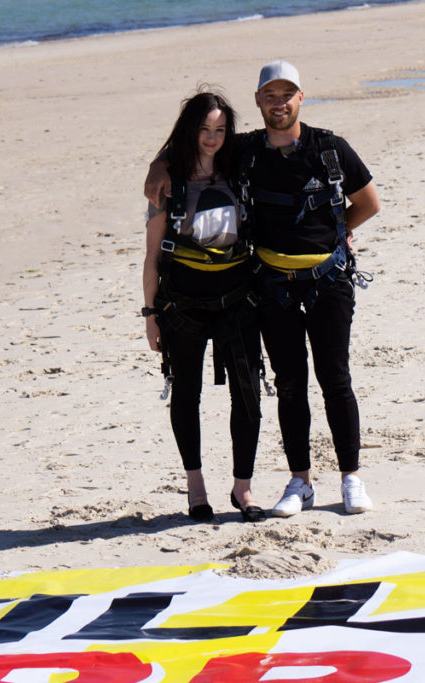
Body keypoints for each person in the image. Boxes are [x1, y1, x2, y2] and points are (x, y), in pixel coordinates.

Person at [145, 61, 380, 516]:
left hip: (328, 283)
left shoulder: (330, 148)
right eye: (270, 95)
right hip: (271, 287)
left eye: (286, 94)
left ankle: (351, 478)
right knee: (290, 385)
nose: (279, 102)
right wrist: (159, 163)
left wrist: (336, 234)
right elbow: (196, 138)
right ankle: (301, 482)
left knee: (336, 380)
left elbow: (368, 203)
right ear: (258, 102)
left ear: (301, 97)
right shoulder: (246, 151)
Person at [142, 89, 265, 524]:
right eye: (204, 129)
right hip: (182, 305)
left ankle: (243, 488)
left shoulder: (240, 165)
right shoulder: (167, 180)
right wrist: (150, 314)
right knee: (186, 394)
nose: (212, 138)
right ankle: (196, 488)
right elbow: (153, 253)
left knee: (248, 393)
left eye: (219, 129)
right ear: (190, 131)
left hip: (237, 300)